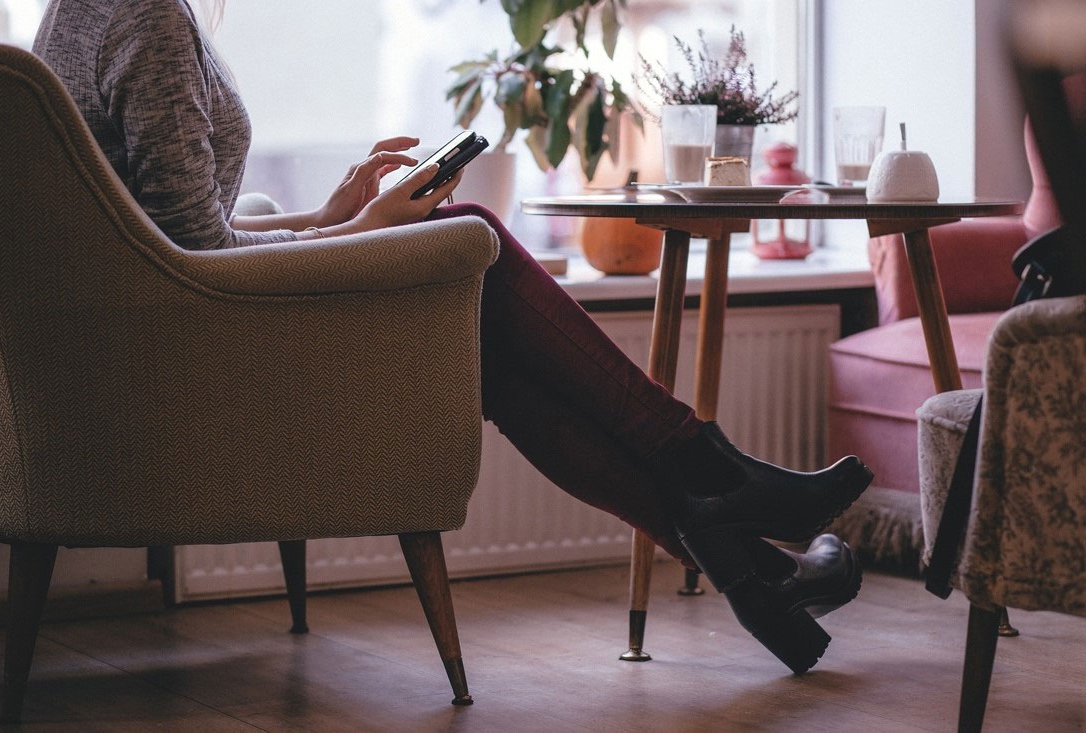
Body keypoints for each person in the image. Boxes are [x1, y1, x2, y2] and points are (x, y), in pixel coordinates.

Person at [33, 0, 873, 675]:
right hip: (212, 372)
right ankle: (723, 490)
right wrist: (363, 225)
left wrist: (331, 218)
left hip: (170, 349)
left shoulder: (79, 15)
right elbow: (197, 261)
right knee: (475, 233)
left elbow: (171, 245)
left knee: (497, 361)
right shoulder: (144, 18)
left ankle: (748, 563)